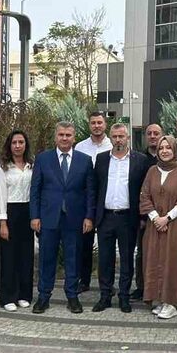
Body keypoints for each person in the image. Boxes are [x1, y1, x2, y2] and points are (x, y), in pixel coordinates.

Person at [30, 121, 96, 314]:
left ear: (74, 138)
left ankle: (72, 296)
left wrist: (89, 217)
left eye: (68, 135)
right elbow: (35, 190)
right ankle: (43, 296)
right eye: (61, 135)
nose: (65, 138)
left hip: (75, 218)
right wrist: (34, 216)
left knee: (73, 259)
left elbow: (90, 192)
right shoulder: (43, 159)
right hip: (48, 217)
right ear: (55, 137)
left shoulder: (84, 160)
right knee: (46, 258)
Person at [92, 123, 146, 313]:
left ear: (128, 137)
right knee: (105, 259)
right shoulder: (101, 159)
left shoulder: (140, 160)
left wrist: (142, 216)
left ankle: (124, 296)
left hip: (128, 217)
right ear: (110, 138)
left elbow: (144, 191)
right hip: (106, 217)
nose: (118, 140)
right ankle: (105, 296)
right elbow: (94, 188)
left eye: (121, 136)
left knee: (126, 259)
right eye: (114, 137)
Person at [139, 135, 177, 319]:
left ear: (175, 150)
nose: (164, 151)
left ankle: (173, 302)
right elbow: (144, 196)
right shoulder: (152, 171)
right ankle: (159, 299)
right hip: (154, 225)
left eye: (168, 147)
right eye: (161, 148)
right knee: (154, 259)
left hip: (175, 226)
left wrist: (167, 218)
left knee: (174, 261)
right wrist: (155, 218)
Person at [0, 130, 34, 310]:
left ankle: (24, 294)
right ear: (9, 145)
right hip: (10, 212)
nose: (18, 146)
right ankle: (8, 297)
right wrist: (3, 222)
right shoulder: (3, 168)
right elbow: (0, 197)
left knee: (26, 255)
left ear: (26, 144)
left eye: (21, 142)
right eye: (14, 143)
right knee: (9, 257)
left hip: (27, 212)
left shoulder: (32, 165)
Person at [75, 112, 112, 293]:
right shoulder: (80, 147)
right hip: (86, 199)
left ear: (105, 124)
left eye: (99, 122)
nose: (96, 126)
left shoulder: (113, 145)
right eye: (93, 123)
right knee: (84, 242)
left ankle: (107, 283)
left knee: (107, 244)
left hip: (107, 199)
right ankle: (84, 280)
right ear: (89, 125)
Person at [132, 123, 162, 302]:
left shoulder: (168, 157)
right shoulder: (139, 158)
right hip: (145, 216)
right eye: (149, 133)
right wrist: (143, 216)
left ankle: (160, 287)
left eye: (156, 133)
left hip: (167, 216)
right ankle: (141, 287)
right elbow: (138, 189)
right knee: (142, 253)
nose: (152, 136)